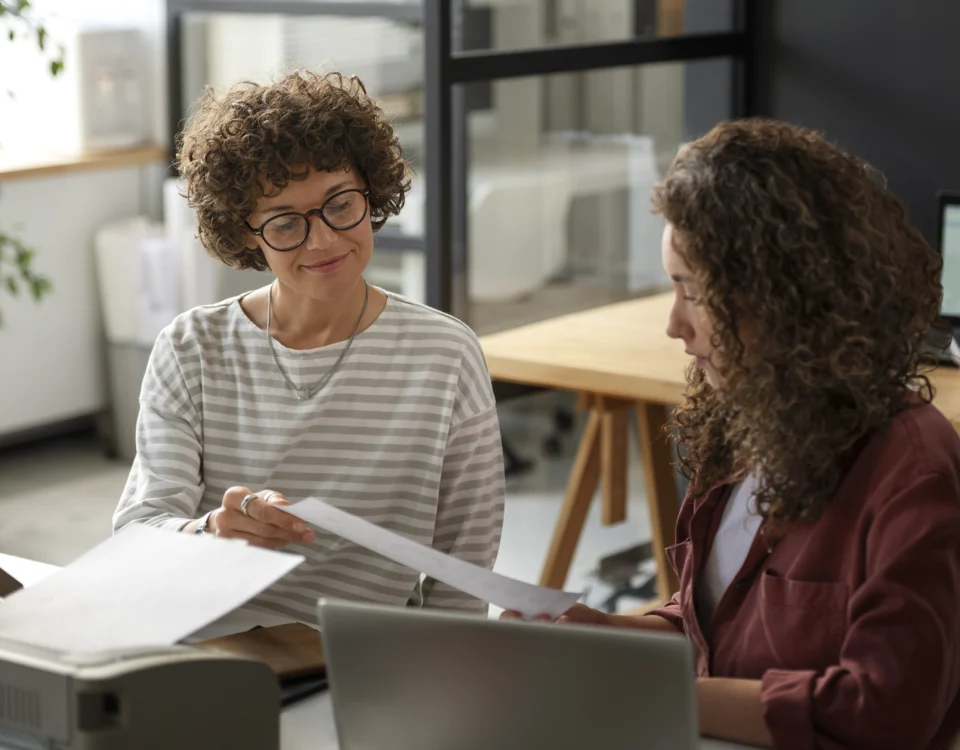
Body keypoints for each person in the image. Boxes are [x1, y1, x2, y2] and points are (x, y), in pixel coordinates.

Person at [508, 119, 960, 749]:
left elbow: (886, 710)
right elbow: (716, 630)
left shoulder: (913, 471)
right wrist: (600, 634)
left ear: (781, 298)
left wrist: (655, 692)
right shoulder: (743, 426)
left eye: (692, 292)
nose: (673, 324)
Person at [113, 71, 505, 621]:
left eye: (340, 205)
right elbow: (138, 533)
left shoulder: (444, 354)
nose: (322, 240)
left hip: (367, 656)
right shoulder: (191, 349)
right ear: (247, 230)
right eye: (284, 223)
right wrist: (206, 530)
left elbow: (464, 567)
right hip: (216, 642)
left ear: (371, 189)